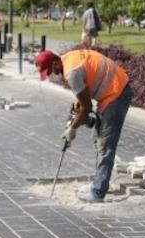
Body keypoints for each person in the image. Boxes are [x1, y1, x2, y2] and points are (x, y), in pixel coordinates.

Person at [34, 47, 132, 203]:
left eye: (48, 73)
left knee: (105, 146)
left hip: (116, 93)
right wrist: (73, 119)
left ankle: (98, 192)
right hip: (110, 93)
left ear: (55, 64)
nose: (49, 77)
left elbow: (86, 107)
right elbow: (81, 101)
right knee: (97, 138)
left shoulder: (71, 73)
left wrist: (72, 128)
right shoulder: (67, 60)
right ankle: (99, 183)